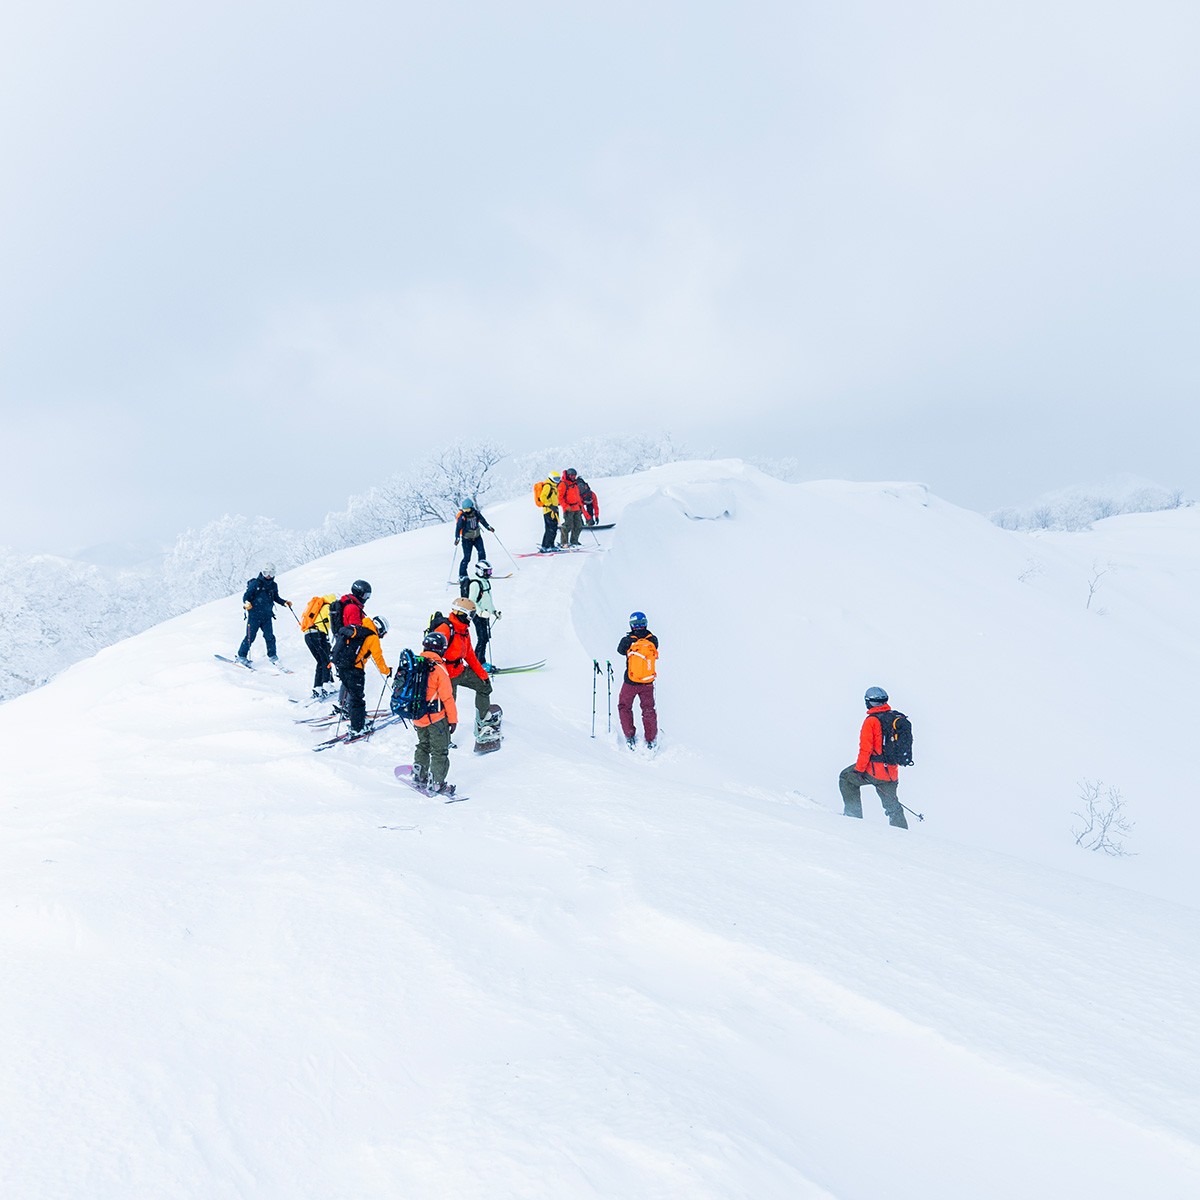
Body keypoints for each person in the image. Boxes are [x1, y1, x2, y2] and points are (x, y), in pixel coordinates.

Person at [838, 687, 908, 829]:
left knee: (846, 778)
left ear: (868, 702)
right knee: (893, 807)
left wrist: (859, 770)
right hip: (891, 773)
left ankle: (853, 818)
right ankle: (903, 835)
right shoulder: (895, 717)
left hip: (873, 771)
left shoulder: (871, 721)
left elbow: (866, 749)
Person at [430, 597, 494, 730]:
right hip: (446, 675)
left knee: (484, 687)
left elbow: (469, 655)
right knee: (447, 708)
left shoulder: (464, 630)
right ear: (463, 613)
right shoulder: (445, 629)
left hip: (460, 670)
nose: (472, 618)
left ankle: (483, 721)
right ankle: (444, 741)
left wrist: (483, 675)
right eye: (471, 615)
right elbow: (432, 655)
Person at [412, 630, 459, 796]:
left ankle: (419, 775)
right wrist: (453, 720)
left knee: (423, 745)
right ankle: (437, 783)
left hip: (417, 715)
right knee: (439, 751)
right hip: (436, 718)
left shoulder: (414, 664)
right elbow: (447, 698)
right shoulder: (438, 669)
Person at [331, 614, 391, 737]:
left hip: (342, 667)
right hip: (354, 670)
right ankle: (357, 728)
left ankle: (358, 718)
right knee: (357, 698)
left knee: (352, 694)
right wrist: (386, 671)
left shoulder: (359, 628)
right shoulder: (372, 637)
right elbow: (378, 657)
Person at [617, 611, 658, 749]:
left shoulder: (627, 641)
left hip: (630, 681)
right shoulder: (653, 640)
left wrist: (630, 639)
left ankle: (629, 735)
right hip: (647, 682)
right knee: (648, 709)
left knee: (624, 706)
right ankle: (651, 738)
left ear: (631, 625)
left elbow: (620, 650)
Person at [237, 563, 292, 664]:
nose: (268, 575)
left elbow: (276, 597)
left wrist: (284, 602)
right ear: (262, 572)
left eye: (271, 573)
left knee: (269, 636)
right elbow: (246, 596)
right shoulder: (255, 584)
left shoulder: (273, 585)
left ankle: (272, 655)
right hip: (254, 616)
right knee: (250, 637)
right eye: (266, 572)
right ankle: (241, 656)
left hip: (267, 616)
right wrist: (247, 603)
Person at [299, 592, 338, 698]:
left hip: (308, 635)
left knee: (320, 661)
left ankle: (318, 687)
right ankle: (327, 685)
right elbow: (334, 625)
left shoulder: (319, 607)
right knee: (326, 660)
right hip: (318, 635)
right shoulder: (329, 607)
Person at [462, 560, 500, 665]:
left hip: (485, 614)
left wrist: (494, 611)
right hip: (478, 616)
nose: (489, 574)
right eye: (487, 572)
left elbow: (488, 599)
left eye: (490, 571)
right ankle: (478, 663)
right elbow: (472, 601)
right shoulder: (475, 583)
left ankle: (480, 661)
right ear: (480, 571)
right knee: (482, 638)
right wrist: (480, 613)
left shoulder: (485, 581)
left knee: (485, 638)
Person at [455, 499, 495, 582]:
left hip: (477, 538)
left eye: (467, 509)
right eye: (464, 509)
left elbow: (483, 521)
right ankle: (462, 575)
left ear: (471, 507)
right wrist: (457, 537)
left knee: (482, 554)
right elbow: (458, 528)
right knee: (467, 558)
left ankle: (482, 572)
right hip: (466, 540)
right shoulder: (463, 516)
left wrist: (488, 527)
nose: (466, 511)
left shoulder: (476, 513)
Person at [557, 468, 586, 547]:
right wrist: (566, 506)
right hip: (568, 508)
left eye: (574, 475)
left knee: (578, 525)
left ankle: (574, 541)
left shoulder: (575, 484)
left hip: (576, 508)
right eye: (572, 475)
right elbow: (560, 498)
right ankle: (564, 542)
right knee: (567, 525)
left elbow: (577, 496)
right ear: (568, 475)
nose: (573, 477)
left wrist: (580, 505)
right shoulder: (563, 484)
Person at [533, 472, 561, 552]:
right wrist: (550, 505)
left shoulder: (554, 486)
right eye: (555, 479)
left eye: (558, 479)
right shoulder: (548, 486)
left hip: (553, 510)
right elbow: (542, 497)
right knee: (550, 529)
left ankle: (551, 545)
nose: (557, 481)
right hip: (548, 511)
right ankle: (545, 546)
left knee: (553, 528)